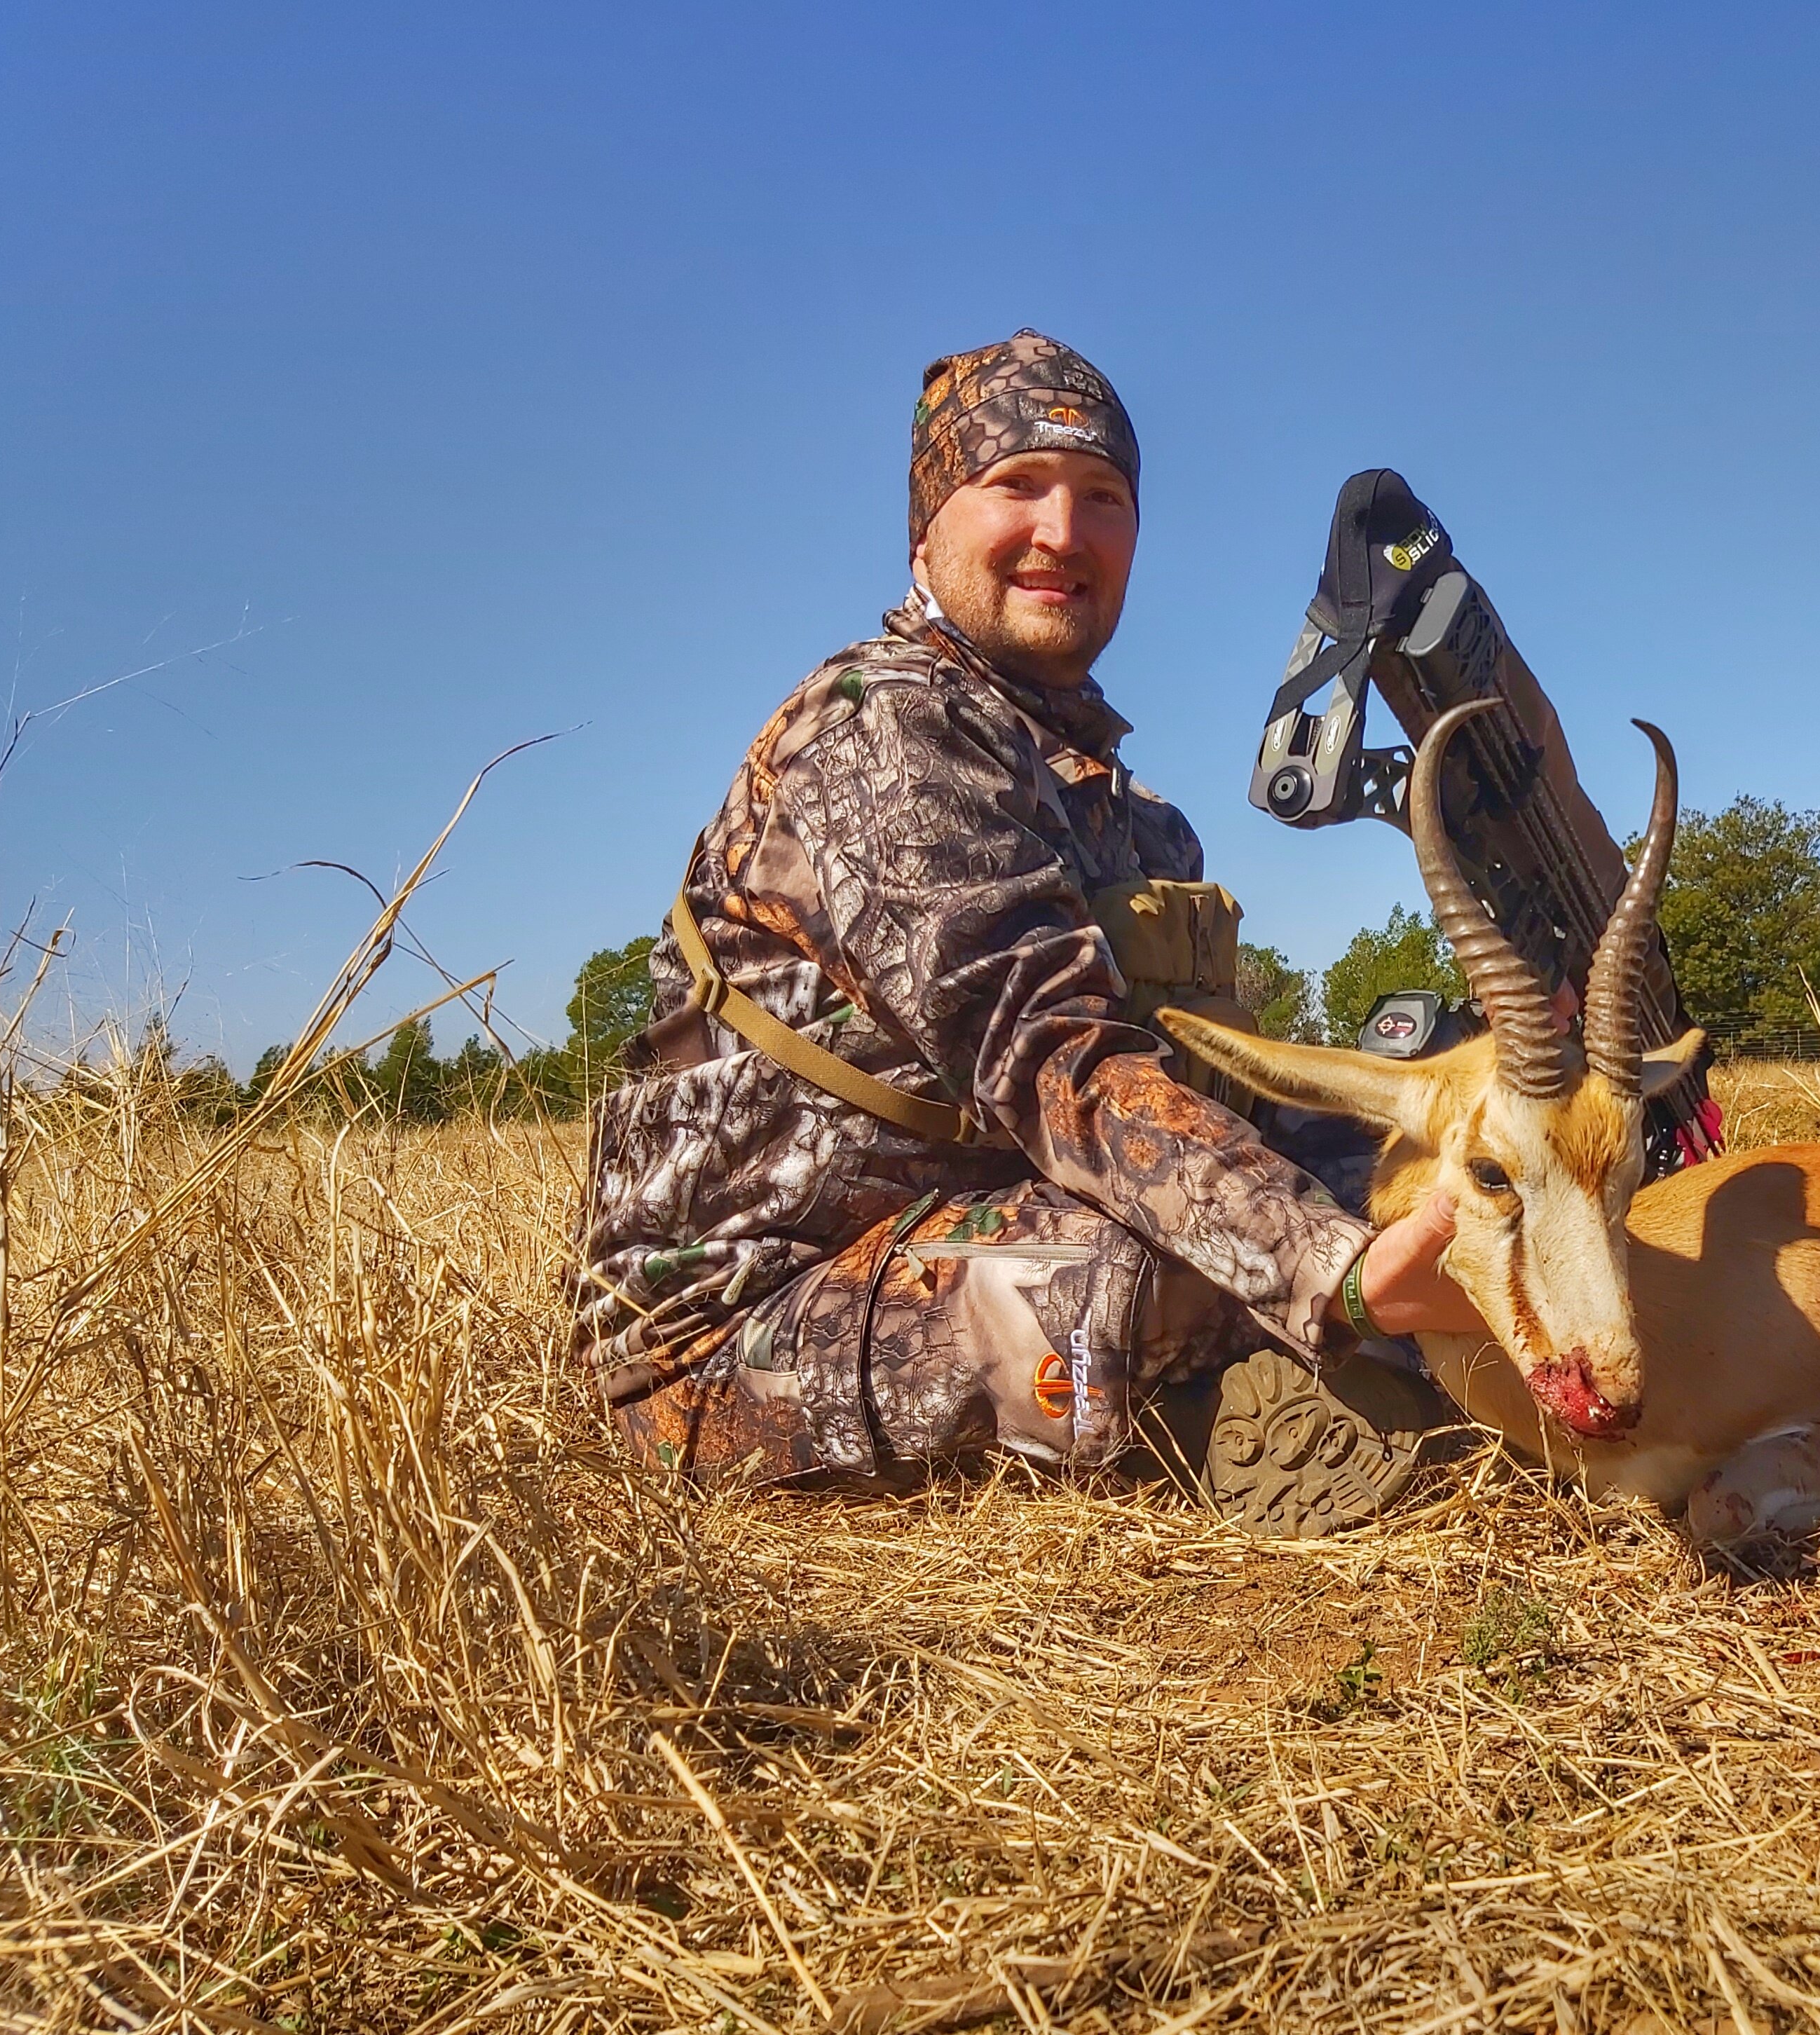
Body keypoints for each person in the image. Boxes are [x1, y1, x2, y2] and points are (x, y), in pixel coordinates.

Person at [575, 329, 1482, 1532]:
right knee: (1179, 1262)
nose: (1064, 533)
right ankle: (1238, 1402)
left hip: (985, 1221)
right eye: (1018, 486)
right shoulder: (884, 730)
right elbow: (1065, 1067)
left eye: (1103, 498)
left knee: (1426, 1196)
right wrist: (1336, 1265)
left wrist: (1464, 1143)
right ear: (926, 527)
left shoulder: (1133, 817)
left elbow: (1217, 1091)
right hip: (736, 1336)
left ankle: (1277, 1379)